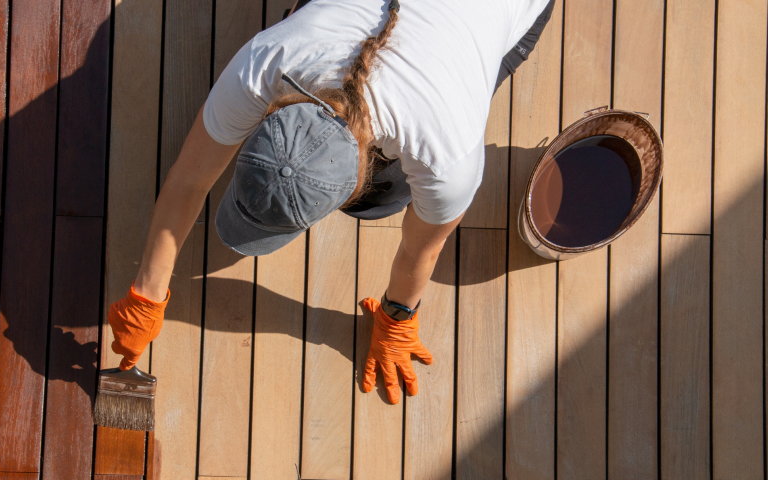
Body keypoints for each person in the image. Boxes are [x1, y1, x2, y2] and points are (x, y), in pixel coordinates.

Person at [108, 0, 555, 405]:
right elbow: (189, 180)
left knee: (378, 203)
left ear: (357, 177)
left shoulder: (446, 155)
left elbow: (422, 249)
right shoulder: (270, 59)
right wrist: (146, 292)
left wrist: (397, 319)